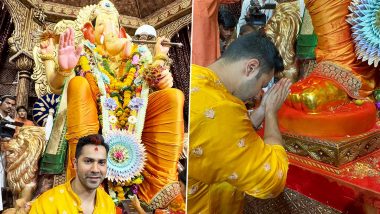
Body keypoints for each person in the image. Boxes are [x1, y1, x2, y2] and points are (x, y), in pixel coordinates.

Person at [188, 32, 292, 213]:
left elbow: (225, 140)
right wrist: (270, 113)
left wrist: (260, 111)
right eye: (262, 84)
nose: (259, 94)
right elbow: (273, 179)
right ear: (251, 67)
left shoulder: (195, 75)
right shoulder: (222, 108)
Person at [29, 134, 115, 213]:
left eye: (101, 162)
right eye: (88, 161)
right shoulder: (46, 204)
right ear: (75, 164)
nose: (95, 170)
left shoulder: (108, 204)